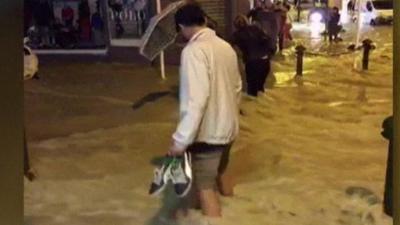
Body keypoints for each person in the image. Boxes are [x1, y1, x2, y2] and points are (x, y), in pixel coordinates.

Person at [169, 3, 242, 218]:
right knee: (221, 174)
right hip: (229, 129)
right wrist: (227, 115)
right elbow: (237, 87)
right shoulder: (225, 46)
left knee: (204, 187)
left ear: (182, 26)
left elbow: (196, 101)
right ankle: (242, 214)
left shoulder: (193, 51)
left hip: (208, 135)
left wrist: (180, 140)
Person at [231, 15, 276, 97]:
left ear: (235, 25)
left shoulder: (236, 35)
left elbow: (231, 47)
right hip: (265, 61)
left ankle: (255, 108)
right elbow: (268, 40)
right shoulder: (256, 29)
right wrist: (270, 53)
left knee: (252, 92)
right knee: (260, 88)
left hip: (252, 63)